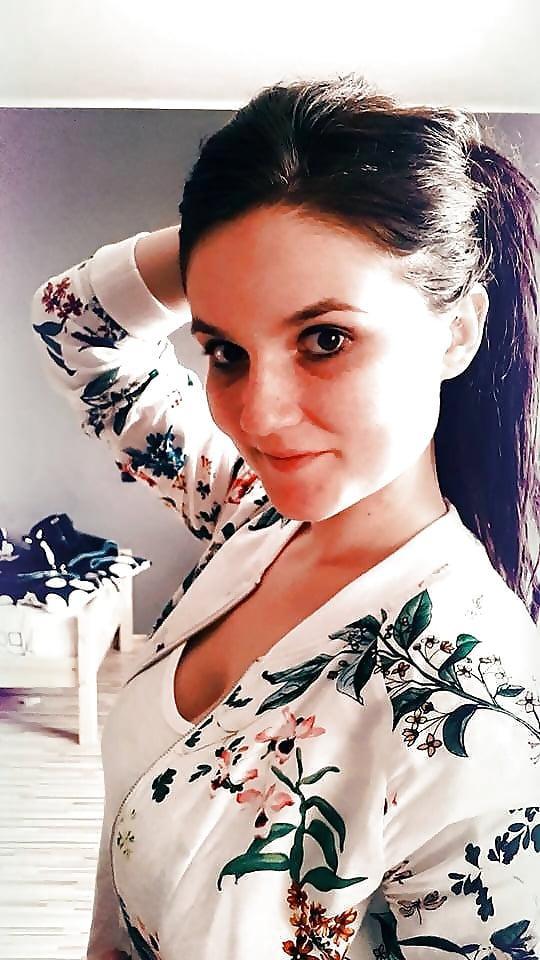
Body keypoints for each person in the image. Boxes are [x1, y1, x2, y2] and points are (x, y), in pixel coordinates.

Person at [31, 74, 540, 960]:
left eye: (325, 339)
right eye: (225, 350)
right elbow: (75, 327)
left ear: (456, 331)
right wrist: (234, 234)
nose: (257, 416)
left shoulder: (480, 718)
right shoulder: (254, 517)